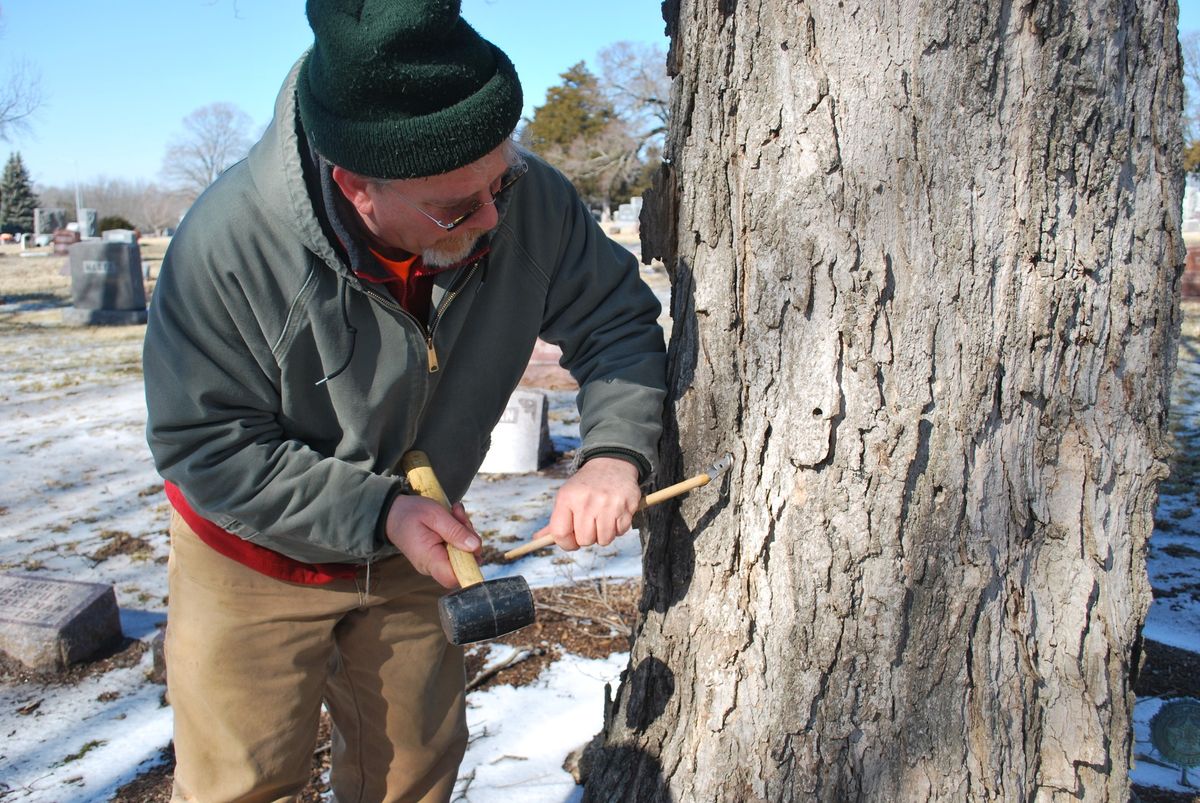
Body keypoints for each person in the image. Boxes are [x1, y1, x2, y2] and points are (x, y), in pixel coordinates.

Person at [142, 1, 666, 800]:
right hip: (252, 550)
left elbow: (616, 320)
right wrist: (378, 509)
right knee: (240, 784)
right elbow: (206, 444)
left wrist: (612, 451)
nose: (496, 218)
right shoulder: (227, 250)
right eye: (459, 208)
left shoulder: (522, 201)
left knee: (412, 776)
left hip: (418, 544)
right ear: (357, 189)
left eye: (504, 178)